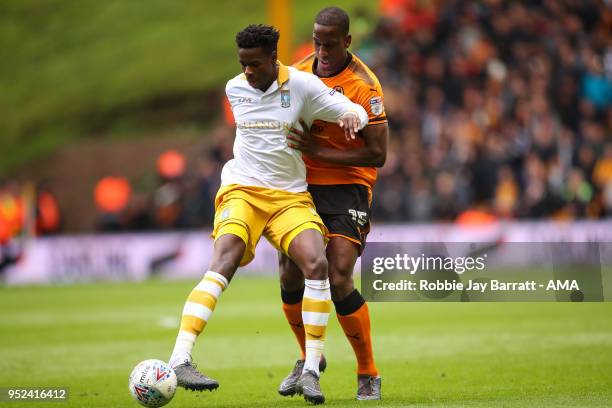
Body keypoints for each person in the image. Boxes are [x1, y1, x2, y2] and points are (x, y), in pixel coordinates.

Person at [166, 24, 369, 405]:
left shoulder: (303, 86)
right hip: (242, 191)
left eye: (254, 64)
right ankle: (180, 358)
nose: (247, 72)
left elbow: (351, 107)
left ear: (274, 59)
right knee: (224, 259)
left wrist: (352, 117)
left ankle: (310, 369)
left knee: (317, 265)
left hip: (289, 198)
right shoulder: (234, 88)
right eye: (242, 64)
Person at [277, 7, 388, 401]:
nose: (321, 49)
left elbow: (378, 154)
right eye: (317, 40)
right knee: (290, 272)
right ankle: (309, 361)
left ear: (347, 42)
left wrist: (320, 151)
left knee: (339, 276)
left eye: (329, 42)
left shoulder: (364, 85)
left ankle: (367, 372)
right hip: (302, 187)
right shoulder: (298, 73)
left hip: (348, 189)